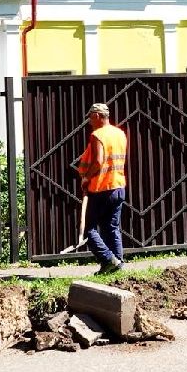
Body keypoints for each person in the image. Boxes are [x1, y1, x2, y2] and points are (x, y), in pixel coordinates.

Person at [76, 102, 130, 274]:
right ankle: (117, 265)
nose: (90, 121)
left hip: (102, 188)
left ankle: (109, 259)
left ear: (97, 116)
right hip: (118, 186)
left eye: (91, 117)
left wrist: (86, 177)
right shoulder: (120, 134)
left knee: (87, 229)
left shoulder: (97, 135)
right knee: (111, 228)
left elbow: (99, 161)